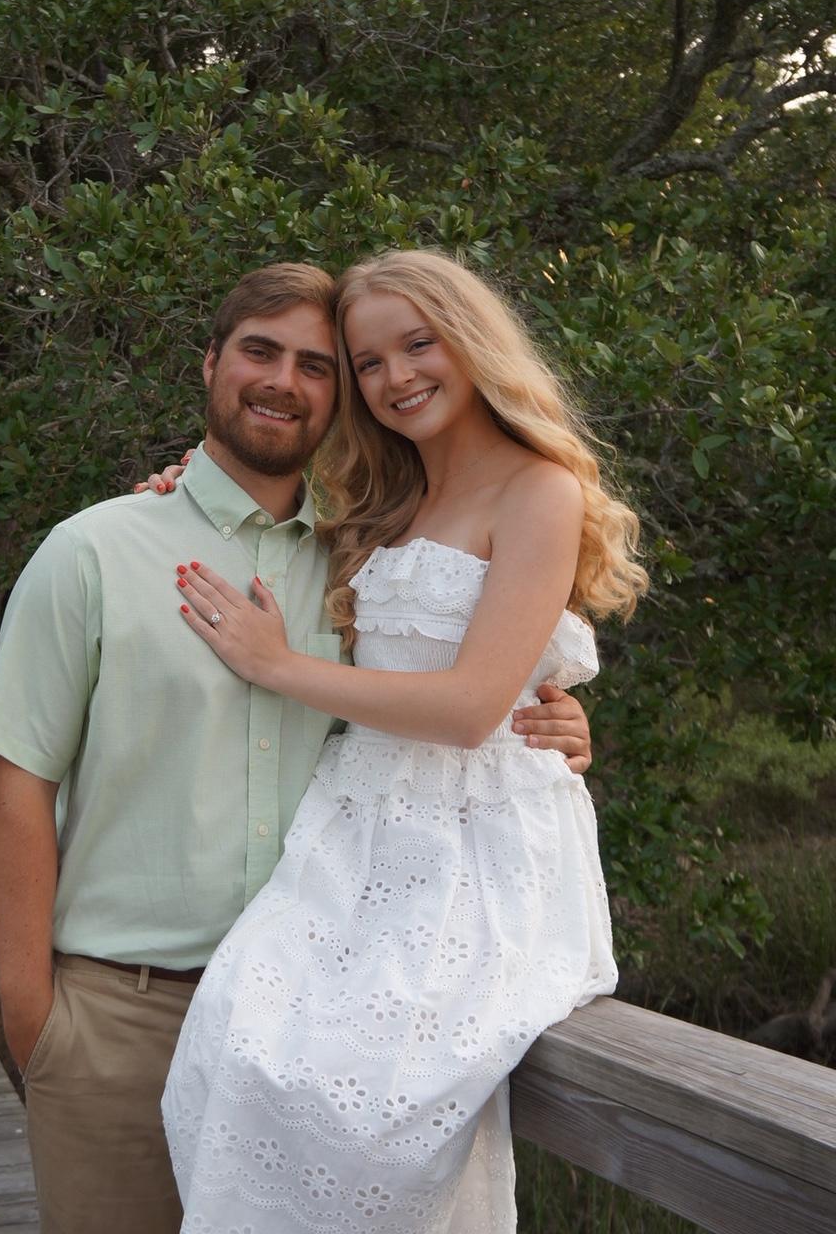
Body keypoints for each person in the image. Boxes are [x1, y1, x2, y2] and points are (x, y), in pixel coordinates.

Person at [0, 262, 595, 1234]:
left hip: (306, 1007)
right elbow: (15, 779)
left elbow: (460, 684)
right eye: (260, 352)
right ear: (210, 363)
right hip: (119, 1014)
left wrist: (551, 720)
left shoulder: (351, 551)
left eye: (318, 365)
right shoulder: (98, 549)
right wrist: (30, 1014)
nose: (284, 382)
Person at [159, 248, 648, 1233]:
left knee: (375, 1111)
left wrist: (275, 665)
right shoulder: (382, 499)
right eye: (367, 362)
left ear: (470, 342)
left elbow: (471, 707)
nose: (395, 377)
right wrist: (181, 488)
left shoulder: (538, 489)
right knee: (233, 1048)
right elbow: (268, 531)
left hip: (474, 842)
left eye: (417, 345)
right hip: (358, 825)